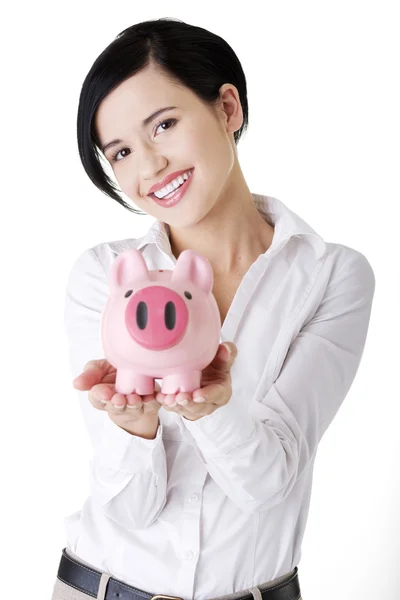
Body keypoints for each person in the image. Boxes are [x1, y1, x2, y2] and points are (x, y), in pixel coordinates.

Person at [51, 17, 375, 600]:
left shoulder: (331, 277)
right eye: (121, 151)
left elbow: (269, 483)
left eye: (164, 126)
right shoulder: (105, 276)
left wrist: (211, 411)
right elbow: (130, 509)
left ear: (227, 108)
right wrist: (135, 427)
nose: (148, 168)